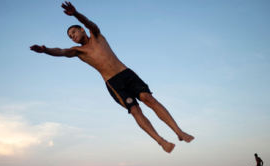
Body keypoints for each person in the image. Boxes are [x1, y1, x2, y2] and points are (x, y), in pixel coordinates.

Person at [30, 1, 194, 153]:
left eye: (73, 32)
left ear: (81, 30)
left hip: (127, 73)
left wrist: (76, 13)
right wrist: (46, 50)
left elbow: (90, 23)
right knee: (136, 110)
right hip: (114, 83)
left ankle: (178, 131)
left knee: (149, 99)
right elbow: (61, 51)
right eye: (70, 36)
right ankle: (161, 141)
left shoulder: (97, 36)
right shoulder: (78, 51)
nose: (72, 36)